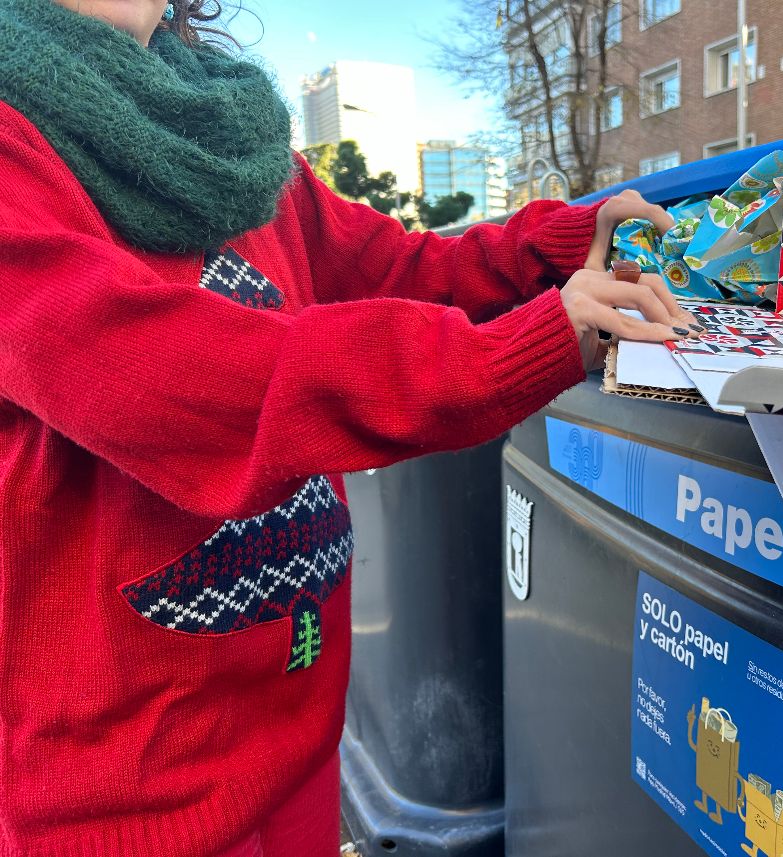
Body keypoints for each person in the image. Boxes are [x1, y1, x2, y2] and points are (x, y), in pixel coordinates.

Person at [0, 0, 705, 854]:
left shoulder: (230, 135)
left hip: (298, 734)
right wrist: (502, 356)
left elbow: (395, 267)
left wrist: (554, 247)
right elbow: (166, 373)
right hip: (120, 792)